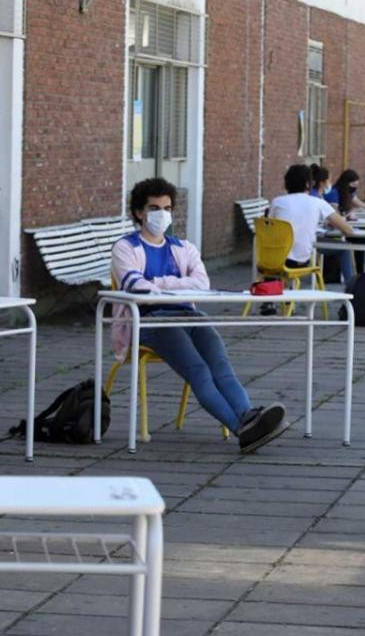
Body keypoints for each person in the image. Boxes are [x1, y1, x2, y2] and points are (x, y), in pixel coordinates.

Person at [111, 177, 287, 453]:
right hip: (150, 321)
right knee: (199, 371)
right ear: (138, 212)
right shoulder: (125, 247)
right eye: (154, 208)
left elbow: (201, 283)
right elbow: (136, 287)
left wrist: (159, 283)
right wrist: (174, 283)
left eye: (167, 208)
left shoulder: (184, 247)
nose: (162, 214)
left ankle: (248, 416)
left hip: (189, 315)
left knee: (222, 367)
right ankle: (242, 428)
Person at [269, 164, 357, 285]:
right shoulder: (318, 203)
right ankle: (353, 293)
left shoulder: (277, 202)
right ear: (307, 184)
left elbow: (270, 226)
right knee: (344, 248)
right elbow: (348, 230)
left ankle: (269, 295)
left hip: (274, 259)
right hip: (300, 259)